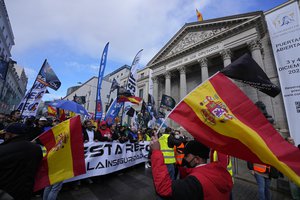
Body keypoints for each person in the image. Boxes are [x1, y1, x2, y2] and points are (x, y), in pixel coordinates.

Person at [151, 137, 233, 199]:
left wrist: (156, 152)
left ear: (197, 159)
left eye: (186, 156)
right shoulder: (217, 172)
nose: (185, 158)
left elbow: (164, 189)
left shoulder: (195, 182)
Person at [0, 123, 43, 200]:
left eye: (6, 133)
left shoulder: (4, 149)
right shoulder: (36, 149)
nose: (5, 136)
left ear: (10, 134)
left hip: (5, 192)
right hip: (26, 191)